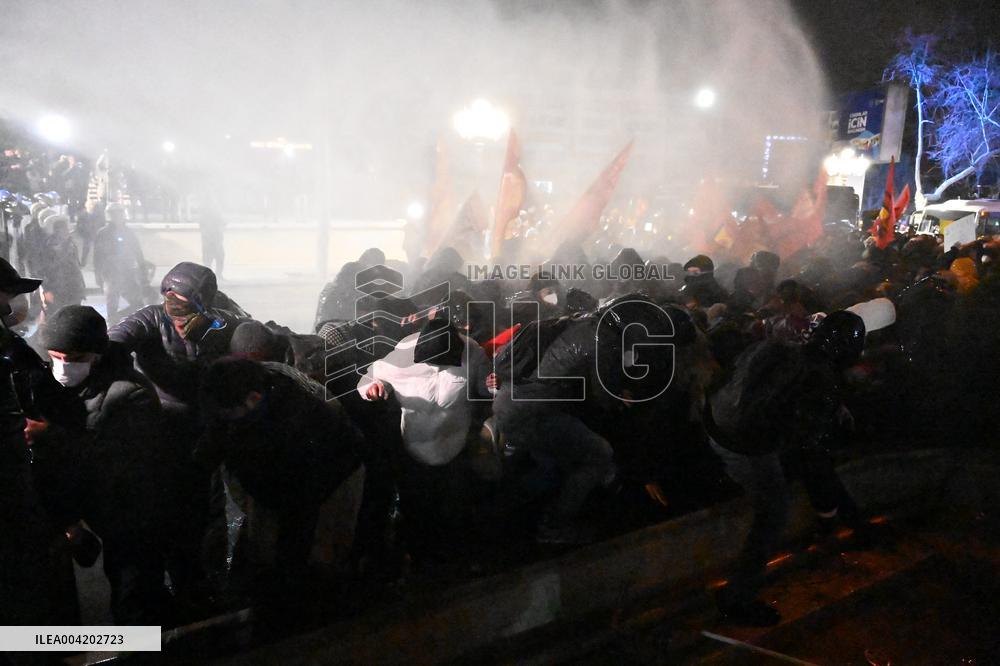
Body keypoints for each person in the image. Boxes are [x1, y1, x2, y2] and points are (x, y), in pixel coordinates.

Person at [705, 311, 869, 626]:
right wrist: (837, 517)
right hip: (742, 441)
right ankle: (737, 598)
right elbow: (813, 456)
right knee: (774, 511)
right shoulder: (820, 380)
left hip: (716, 420)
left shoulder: (784, 345)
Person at [109, 261, 250, 601]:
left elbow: (251, 333)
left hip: (207, 428)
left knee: (207, 510)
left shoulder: (221, 319)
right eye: (171, 300)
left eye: (185, 305)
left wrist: (218, 327)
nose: (176, 311)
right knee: (165, 509)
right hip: (161, 431)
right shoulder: (150, 318)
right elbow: (113, 342)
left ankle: (203, 584)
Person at [32, 305, 180, 625]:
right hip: (101, 512)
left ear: (96, 354)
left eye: (73, 359)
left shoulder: (131, 393)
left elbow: (122, 460)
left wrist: (51, 435)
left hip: (136, 516)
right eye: (55, 356)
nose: (62, 367)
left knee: (134, 597)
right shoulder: (60, 387)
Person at [196, 358, 365, 610]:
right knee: (268, 548)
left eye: (230, 414)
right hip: (281, 482)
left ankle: (317, 612)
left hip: (331, 480)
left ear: (253, 399)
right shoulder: (238, 393)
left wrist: (287, 568)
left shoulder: (298, 421)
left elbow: (298, 502)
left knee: (315, 554)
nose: (225, 419)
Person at [94, 202, 146, 324]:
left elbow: (137, 251)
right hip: (111, 274)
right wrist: (98, 274)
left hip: (127, 272)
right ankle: (112, 324)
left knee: (138, 304)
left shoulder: (128, 232)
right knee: (112, 304)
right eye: (114, 213)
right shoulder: (103, 233)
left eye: (119, 213)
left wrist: (142, 268)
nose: (117, 216)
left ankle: (117, 318)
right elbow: (98, 256)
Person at [199, 200, 226, 280]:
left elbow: (222, 222)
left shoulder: (209, 215)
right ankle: (212, 277)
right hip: (211, 240)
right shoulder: (208, 215)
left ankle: (216, 276)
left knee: (218, 258)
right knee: (211, 259)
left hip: (214, 240)